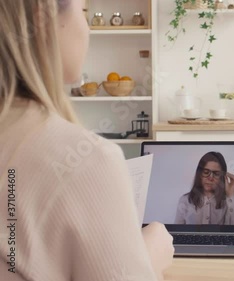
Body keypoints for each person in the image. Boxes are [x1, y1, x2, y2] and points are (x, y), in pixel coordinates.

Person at [0, 1, 173, 280]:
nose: (88, 27)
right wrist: (150, 256)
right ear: (42, 20)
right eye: (83, 12)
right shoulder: (89, 161)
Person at [175, 151, 234, 225]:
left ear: (222, 177)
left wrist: (231, 195)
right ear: (200, 174)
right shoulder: (185, 200)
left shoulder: (227, 202)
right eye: (206, 172)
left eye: (216, 174)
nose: (210, 178)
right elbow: (177, 231)